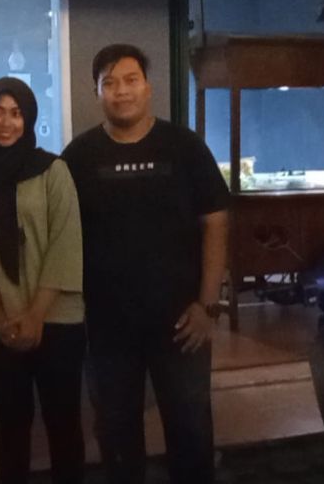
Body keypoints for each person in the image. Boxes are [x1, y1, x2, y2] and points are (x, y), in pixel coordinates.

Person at [60, 44, 230, 484]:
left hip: (182, 321)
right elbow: (60, 236)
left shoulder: (184, 146)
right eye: (110, 83)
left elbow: (215, 222)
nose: (121, 91)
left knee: (191, 429)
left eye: (131, 80)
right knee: (116, 434)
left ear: (148, 86)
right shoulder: (78, 157)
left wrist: (208, 305)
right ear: (97, 92)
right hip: (107, 326)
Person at [0, 78, 86, 484]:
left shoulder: (52, 171)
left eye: (15, 113)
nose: (5, 122)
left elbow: (66, 243)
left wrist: (35, 315)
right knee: (11, 426)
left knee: (63, 422)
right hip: (0, 322)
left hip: (57, 318)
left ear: (28, 118)